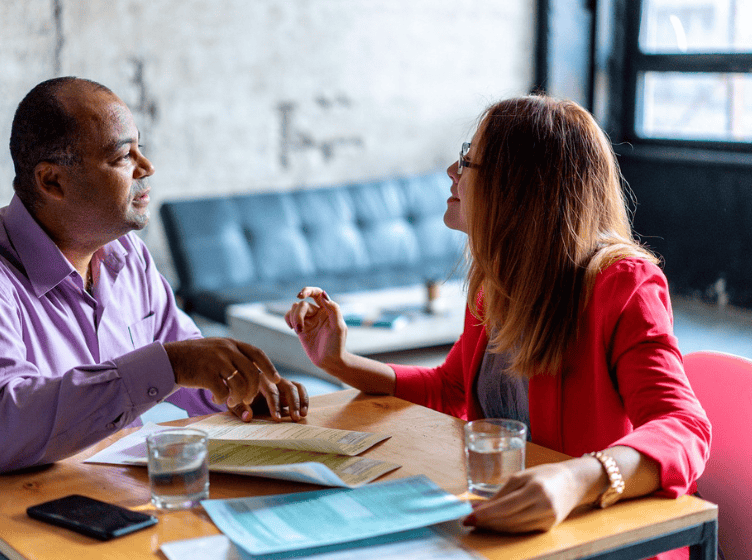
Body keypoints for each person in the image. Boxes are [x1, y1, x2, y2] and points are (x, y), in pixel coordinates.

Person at [285, 95, 710, 559]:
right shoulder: (496, 282)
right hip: (508, 533)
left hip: (597, 539)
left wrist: (575, 478)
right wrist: (339, 361)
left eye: (468, 158)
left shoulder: (622, 283)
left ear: (519, 185)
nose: (452, 169)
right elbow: (449, 388)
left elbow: (683, 426)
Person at [0, 77, 308, 476]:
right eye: (122, 156)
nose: (146, 167)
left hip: (112, 498)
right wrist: (171, 365)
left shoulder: (128, 257)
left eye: (139, 148)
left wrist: (243, 389)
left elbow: (191, 365)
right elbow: (1, 431)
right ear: (52, 181)